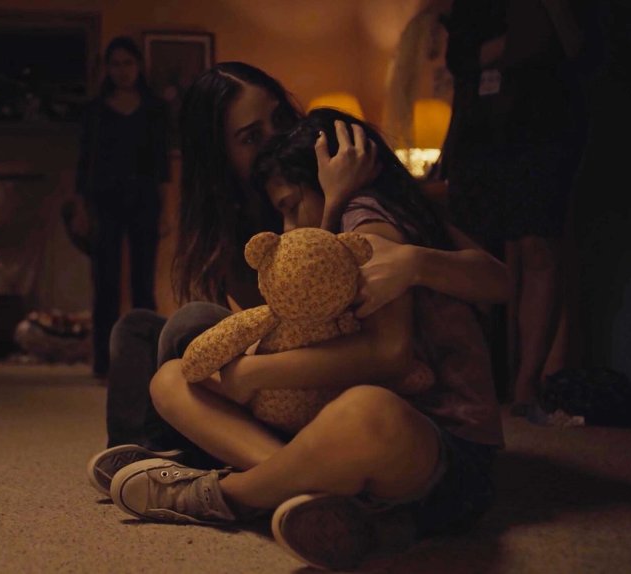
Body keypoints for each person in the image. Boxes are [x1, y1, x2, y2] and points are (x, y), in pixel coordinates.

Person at [107, 108, 506, 571]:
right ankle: (309, 493)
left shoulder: (368, 221)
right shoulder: (346, 219)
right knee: (172, 378)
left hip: (444, 458)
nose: (288, 228)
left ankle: (224, 495)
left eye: (291, 205)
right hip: (358, 444)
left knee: (366, 411)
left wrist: (253, 373)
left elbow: (390, 354)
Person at [440, 0, 589, 414]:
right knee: (473, 250)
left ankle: (526, 387)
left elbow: (574, 45)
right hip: (480, 127)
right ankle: (478, 380)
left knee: (538, 247)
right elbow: (461, 60)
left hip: (542, 123)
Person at [75, 36, 170, 378]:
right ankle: (103, 364)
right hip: (104, 200)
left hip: (144, 200)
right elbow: (84, 162)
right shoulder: (96, 111)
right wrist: (82, 207)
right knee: (106, 284)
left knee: (143, 284)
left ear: (139, 66)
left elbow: (162, 166)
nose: (122, 71)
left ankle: (146, 361)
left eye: (127, 63)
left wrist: (165, 211)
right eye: (115, 64)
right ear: (107, 69)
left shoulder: (155, 109)